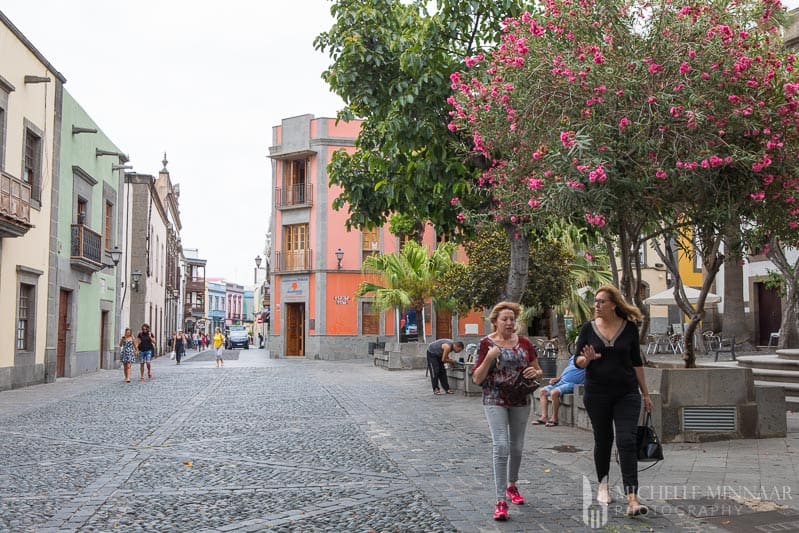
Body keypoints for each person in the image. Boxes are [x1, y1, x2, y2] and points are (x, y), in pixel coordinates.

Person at [574, 285, 652, 517]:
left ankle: (632, 498)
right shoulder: (588, 328)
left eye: (601, 301)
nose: (596, 305)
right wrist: (586, 360)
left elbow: (637, 362)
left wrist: (646, 394)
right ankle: (603, 486)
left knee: (626, 441)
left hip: (626, 393)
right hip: (597, 394)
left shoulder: (629, 329)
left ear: (614, 304)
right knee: (604, 440)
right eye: (595, 302)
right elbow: (576, 360)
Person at [471, 301, 544, 521]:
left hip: (521, 398)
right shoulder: (486, 344)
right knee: (501, 446)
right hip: (495, 399)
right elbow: (477, 378)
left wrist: (535, 373)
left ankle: (513, 485)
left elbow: (539, 370)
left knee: (517, 447)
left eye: (512, 319)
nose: (510, 323)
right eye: (505, 319)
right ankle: (500, 499)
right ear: (495, 321)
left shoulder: (524, 343)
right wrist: (490, 358)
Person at [532, 352, 585, 427]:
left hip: (573, 384)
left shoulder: (588, 359)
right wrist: (557, 378)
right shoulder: (574, 357)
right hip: (561, 381)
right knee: (542, 391)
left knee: (554, 392)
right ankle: (544, 417)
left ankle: (554, 418)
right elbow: (568, 369)